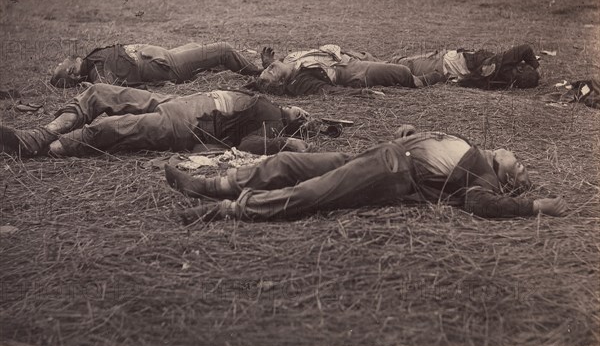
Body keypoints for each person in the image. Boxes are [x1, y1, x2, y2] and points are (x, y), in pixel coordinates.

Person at [168, 125, 567, 222]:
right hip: (380, 153)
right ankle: (208, 185)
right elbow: (432, 146)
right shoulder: (472, 147)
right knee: (288, 163)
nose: (517, 156)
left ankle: (227, 209)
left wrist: (533, 205)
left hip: (391, 172)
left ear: (508, 176)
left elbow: (481, 204)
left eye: (522, 166)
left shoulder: (486, 177)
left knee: (314, 192)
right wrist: (413, 132)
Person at [0, 84, 313, 158]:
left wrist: (286, 140)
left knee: (109, 128)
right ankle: (42, 133)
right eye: (304, 112)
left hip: (185, 125)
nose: (302, 115)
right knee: (99, 92)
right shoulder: (267, 100)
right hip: (176, 103)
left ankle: (40, 148)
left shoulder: (274, 124)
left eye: (304, 120)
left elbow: (248, 145)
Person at [250, 45, 444, 96]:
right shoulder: (301, 81)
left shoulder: (287, 61)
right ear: (283, 82)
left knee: (398, 61)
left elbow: (267, 71)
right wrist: (360, 93)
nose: (269, 69)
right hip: (355, 70)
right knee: (401, 71)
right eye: (271, 71)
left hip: (352, 56)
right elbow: (329, 91)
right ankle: (434, 77)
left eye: (267, 68)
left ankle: (440, 60)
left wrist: (271, 63)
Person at [50, 42, 262, 88]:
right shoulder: (97, 72)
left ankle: (237, 63)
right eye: (60, 64)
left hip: (163, 56)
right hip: (167, 65)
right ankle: (261, 74)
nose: (62, 59)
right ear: (72, 72)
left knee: (198, 47)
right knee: (223, 50)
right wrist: (91, 88)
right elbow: (106, 90)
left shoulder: (92, 62)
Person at [392, 44, 540, 89]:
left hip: (442, 64)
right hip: (445, 65)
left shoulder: (504, 63)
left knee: (401, 65)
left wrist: (536, 68)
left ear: (520, 68)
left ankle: (370, 61)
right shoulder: (505, 82)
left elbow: (526, 49)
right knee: (401, 64)